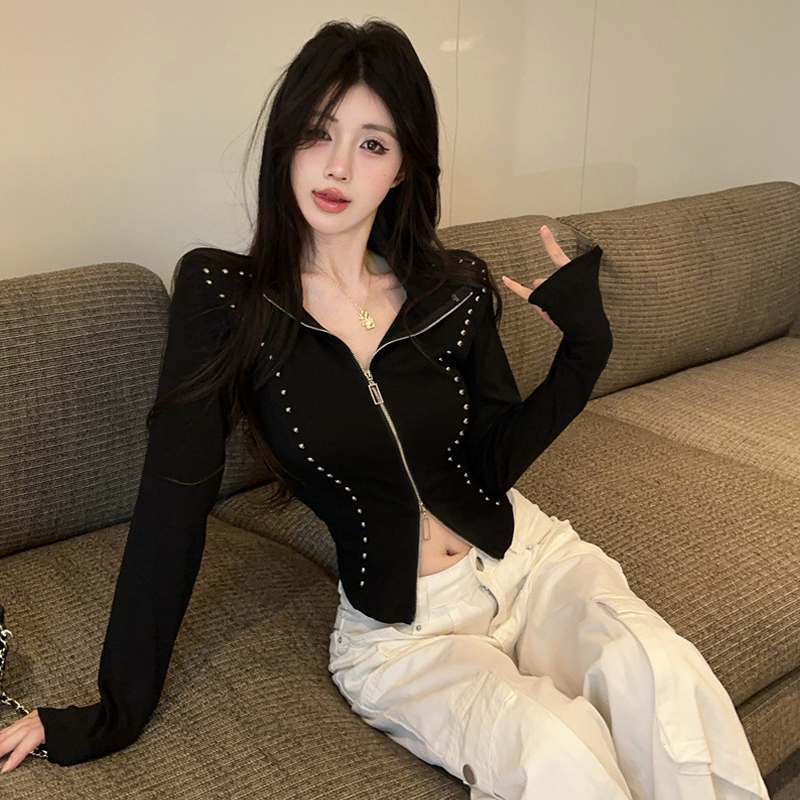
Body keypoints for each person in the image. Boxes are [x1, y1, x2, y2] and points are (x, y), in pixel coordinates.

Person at [0, 18, 770, 800]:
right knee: (556, 754)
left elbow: (492, 462)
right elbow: (173, 503)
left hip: (533, 562)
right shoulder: (224, 295)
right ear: (284, 143)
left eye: (372, 143)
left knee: (665, 682)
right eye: (318, 132)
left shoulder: (451, 288)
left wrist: (586, 353)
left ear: (403, 168)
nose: (338, 165)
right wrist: (112, 714)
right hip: (406, 639)